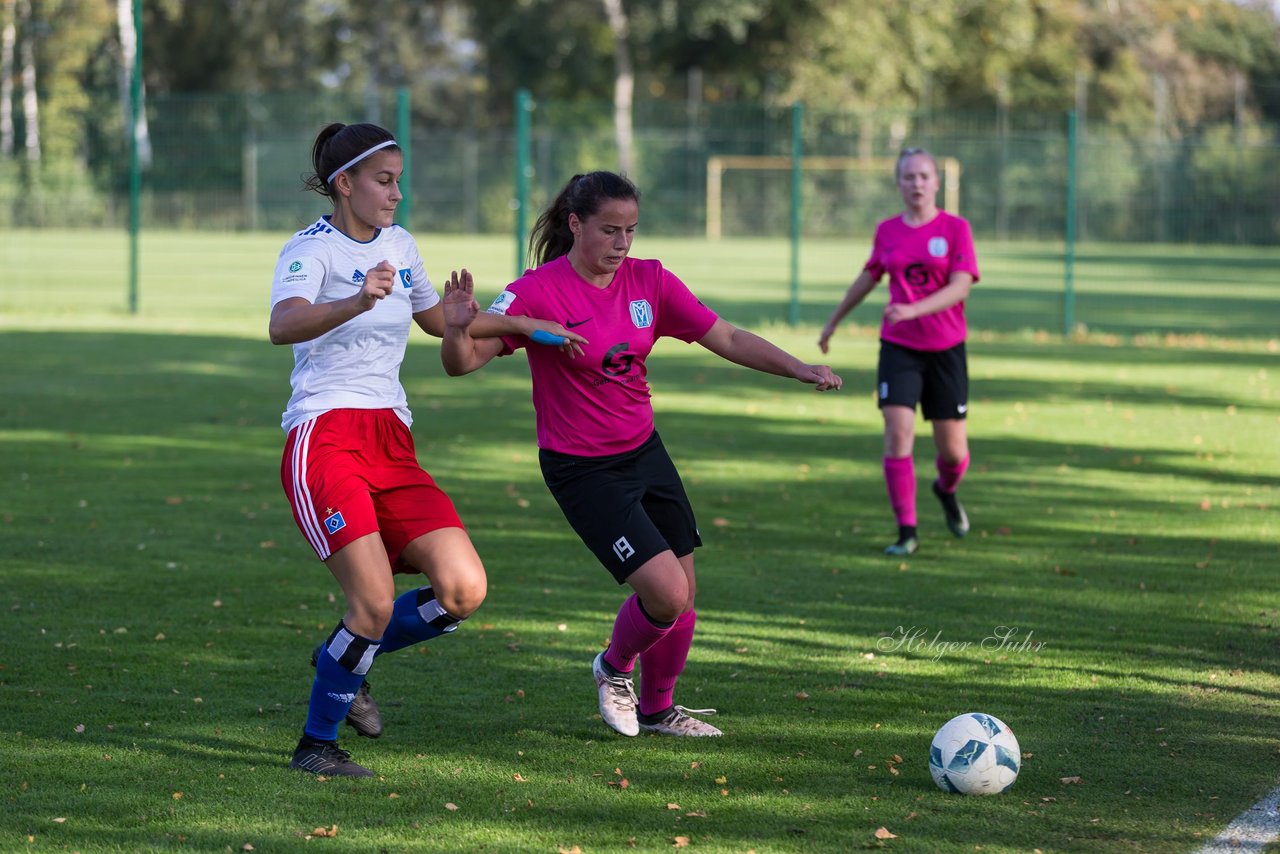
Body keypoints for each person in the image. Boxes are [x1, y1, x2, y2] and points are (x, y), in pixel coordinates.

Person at [438, 171, 842, 739]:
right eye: (610, 231)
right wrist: (457, 329)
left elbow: (724, 336)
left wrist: (797, 367)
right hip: (582, 468)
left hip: (644, 452)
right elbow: (463, 363)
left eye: (631, 230)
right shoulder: (536, 291)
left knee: (684, 594)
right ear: (576, 225)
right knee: (665, 593)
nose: (623, 244)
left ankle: (657, 711)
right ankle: (612, 667)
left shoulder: (649, 281)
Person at [268, 122, 584, 777]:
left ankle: (347, 653)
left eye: (398, 179)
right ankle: (316, 745)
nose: (396, 194)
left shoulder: (401, 245)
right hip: (323, 438)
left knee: (463, 589)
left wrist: (521, 323)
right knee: (374, 603)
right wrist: (357, 298)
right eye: (384, 181)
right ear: (344, 183)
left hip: (391, 440)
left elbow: (440, 323)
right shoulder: (310, 251)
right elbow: (283, 324)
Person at [818, 147, 980, 556]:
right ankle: (906, 532)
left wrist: (913, 308)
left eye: (924, 176)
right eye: (909, 177)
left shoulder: (956, 229)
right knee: (898, 434)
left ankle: (945, 489)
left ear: (937, 182)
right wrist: (834, 320)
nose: (917, 184)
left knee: (954, 452)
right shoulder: (888, 230)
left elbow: (960, 286)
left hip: (946, 350)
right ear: (899, 184)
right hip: (899, 348)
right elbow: (869, 276)